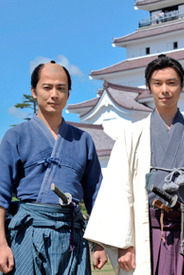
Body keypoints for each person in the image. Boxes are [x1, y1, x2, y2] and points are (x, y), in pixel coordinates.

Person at [84, 54, 184, 275]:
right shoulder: (132, 135)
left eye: (171, 83)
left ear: (181, 86)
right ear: (149, 88)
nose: (165, 90)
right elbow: (118, 190)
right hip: (148, 233)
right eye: (157, 83)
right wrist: (124, 242)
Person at [0, 61, 107, 274]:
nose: (54, 94)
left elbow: (95, 196)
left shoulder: (83, 140)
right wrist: (1, 244)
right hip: (29, 234)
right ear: (34, 91)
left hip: (72, 237)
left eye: (61, 88)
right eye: (47, 87)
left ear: (68, 94)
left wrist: (100, 243)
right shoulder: (16, 137)